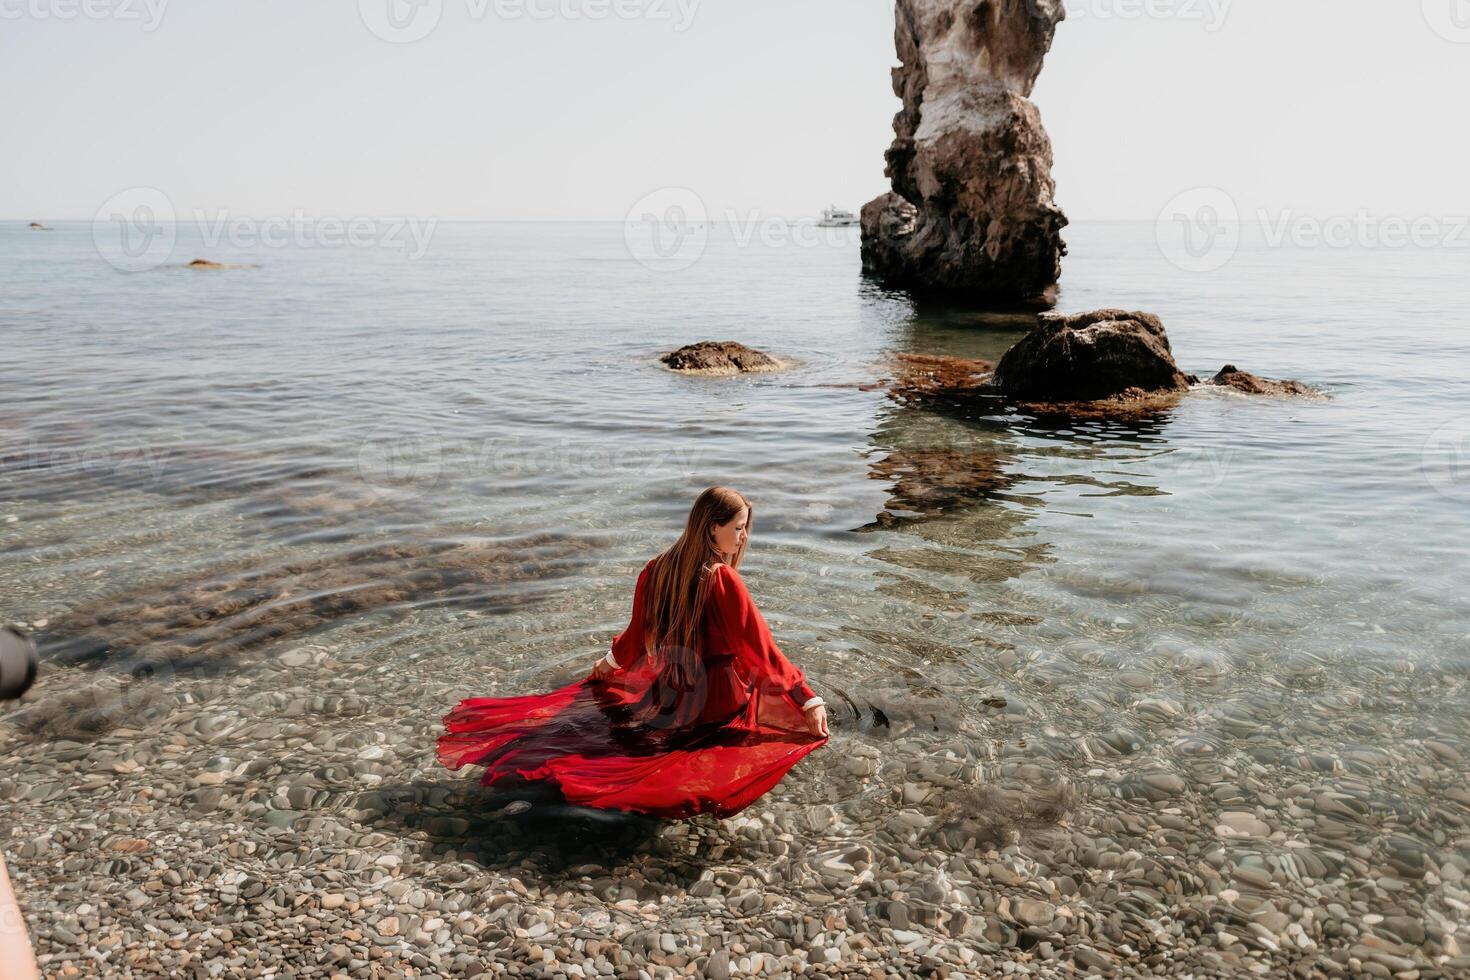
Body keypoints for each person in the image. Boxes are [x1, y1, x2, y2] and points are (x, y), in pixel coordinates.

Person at [437, 486, 830, 819]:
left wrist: (607, 666)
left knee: (603, 743)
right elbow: (761, 654)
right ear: (713, 528)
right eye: (739, 528)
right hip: (716, 702)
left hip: (669, 697)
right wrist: (806, 699)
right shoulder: (723, 579)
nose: (744, 538)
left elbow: (634, 639)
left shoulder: (657, 568)